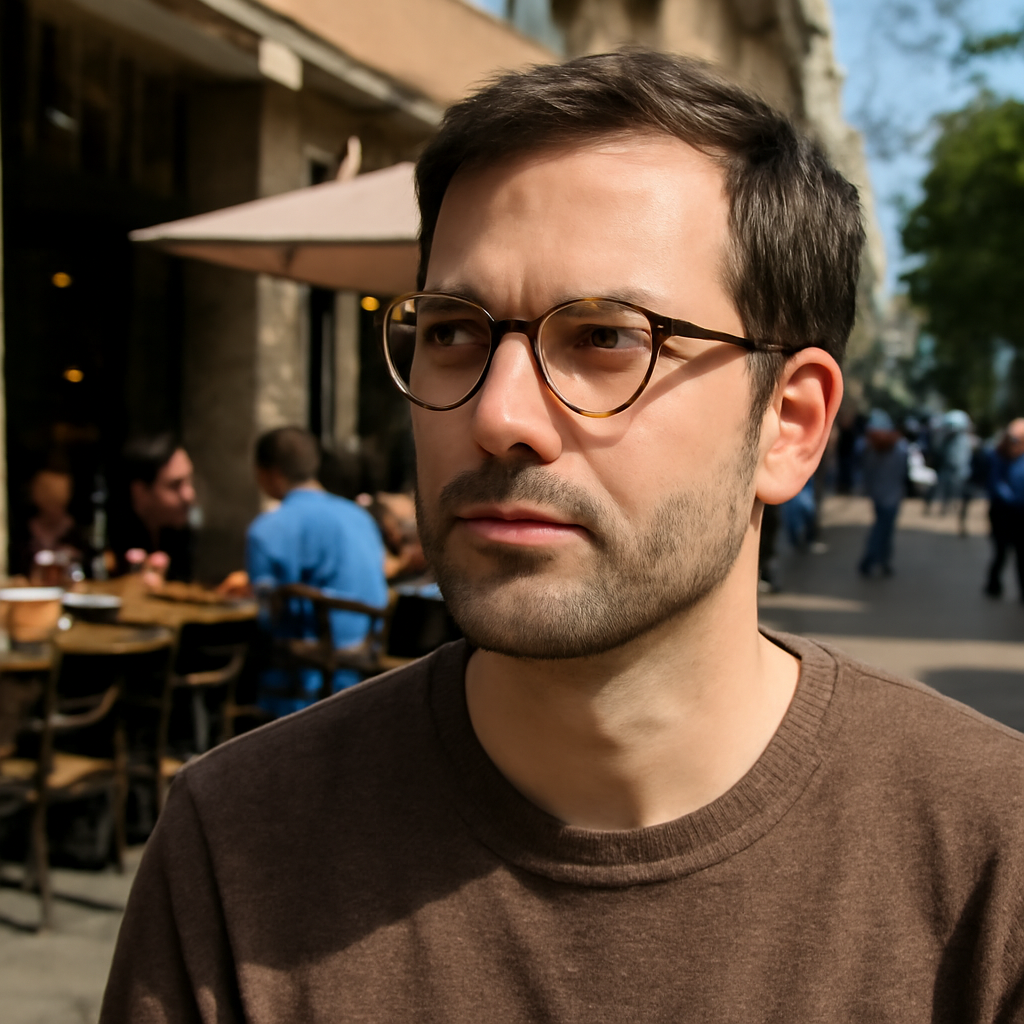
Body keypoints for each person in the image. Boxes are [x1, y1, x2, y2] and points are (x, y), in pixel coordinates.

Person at [101, 52, 1024, 1021]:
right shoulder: (242, 841)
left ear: (787, 424)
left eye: (603, 338)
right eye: (452, 328)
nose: (499, 413)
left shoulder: (987, 859)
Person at [246, 426, 389, 716]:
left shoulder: (267, 528)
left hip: (306, 676)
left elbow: (265, 616)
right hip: (365, 663)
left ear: (268, 473)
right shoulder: (359, 517)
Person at [109, 433, 196, 581]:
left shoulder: (180, 535)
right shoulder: (108, 546)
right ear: (140, 492)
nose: (189, 495)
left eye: (189, 481)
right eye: (175, 486)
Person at [857, 409, 909, 577]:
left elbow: (867, 472)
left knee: (882, 528)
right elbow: (902, 472)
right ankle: (872, 560)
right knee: (883, 530)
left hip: (878, 495)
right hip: (892, 496)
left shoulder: (868, 448)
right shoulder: (900, 448)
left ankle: (883, 561)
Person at [984, 417, 1024, 601]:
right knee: (1000, 551)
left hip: (1020, 513)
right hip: (1002, 511)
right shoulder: (998, 456)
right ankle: (993, 585)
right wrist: (1012, 500)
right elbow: (996, 483)